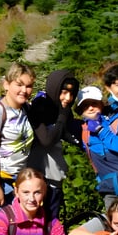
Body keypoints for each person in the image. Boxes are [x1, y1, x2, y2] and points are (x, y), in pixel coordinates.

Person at [0, 62, 36, 208]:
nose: (24, 90)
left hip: (17, 181)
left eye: (29, 86)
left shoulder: (25, 110)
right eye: (19, 84)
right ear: (6, 84)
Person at [28, 69, 80, 219]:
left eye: (72, 94)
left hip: (54, 179)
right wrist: (62, 116)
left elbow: (68, 135)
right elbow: (47, 140)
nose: (68, 98)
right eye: (63, 92)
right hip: (36, 181)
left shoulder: (63, 111)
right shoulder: (40, 105)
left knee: (52, 227)